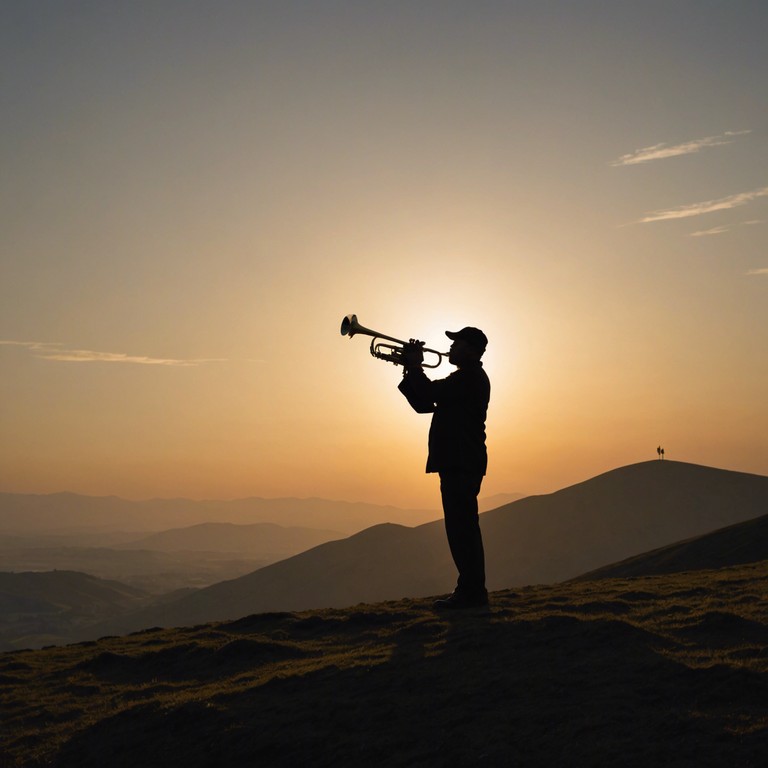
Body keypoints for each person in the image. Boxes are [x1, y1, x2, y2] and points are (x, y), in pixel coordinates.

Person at [398, 326, 490, 609]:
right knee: (460, 527)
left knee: (462, 528)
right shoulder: (464, 378)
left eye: (457, 344)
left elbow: (429, 391)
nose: (450, 348)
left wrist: (414, 366)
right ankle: (470, 590)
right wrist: (408, 371)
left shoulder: (468, 378)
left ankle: (472, 593)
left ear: (473, 350)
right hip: (458, 459)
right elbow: (424, 404)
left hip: (461, 459)